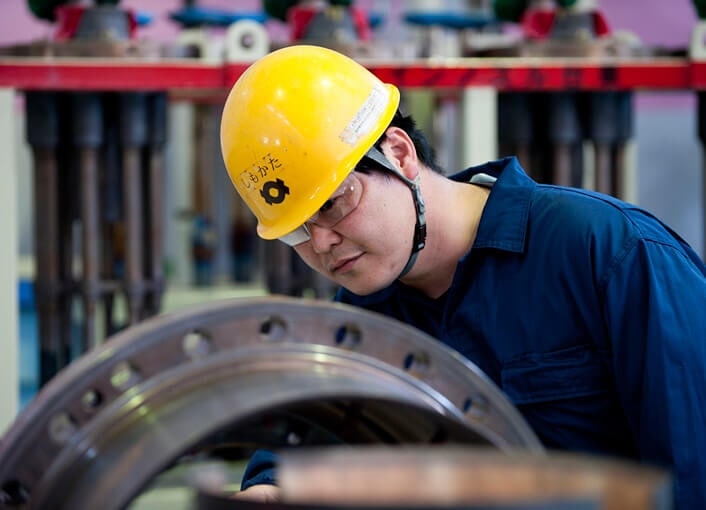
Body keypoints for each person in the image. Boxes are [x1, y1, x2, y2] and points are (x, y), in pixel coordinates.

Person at [220, 44, 706, 508]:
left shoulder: (609, 254)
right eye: (296, 232)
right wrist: (270, 489)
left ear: (399, 153)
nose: (321, 242)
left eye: (331, 203)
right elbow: (298, 451)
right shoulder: (359, 332)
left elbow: (693, 470)